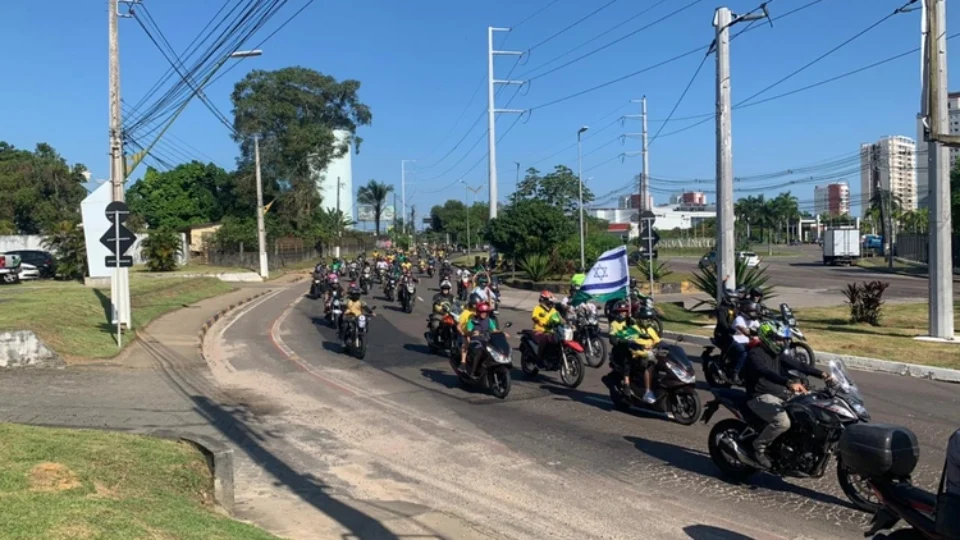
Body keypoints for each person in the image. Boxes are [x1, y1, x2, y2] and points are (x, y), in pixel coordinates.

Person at [743, 322, 831, 468]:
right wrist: (788, 383)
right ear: (767, 337)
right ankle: (758, 448)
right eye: (778, 339)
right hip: (759, 396)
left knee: (809, 409)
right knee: (783, 422)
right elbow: (766, 372)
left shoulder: (777, 354)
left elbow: (799, 365)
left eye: (782, 339)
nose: (781, 342)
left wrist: (822, 374)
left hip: (780, 393)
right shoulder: (756, 354)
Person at [608, 301, 660, 404]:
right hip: (621, 349)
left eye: (624, 311)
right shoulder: (614, 324)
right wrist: (619, 339)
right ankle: (627, 384)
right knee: (628, 360)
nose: (623, 314)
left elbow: (638, 331)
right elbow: (613, 338)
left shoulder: (631, 321)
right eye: (620, 312)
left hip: (635, 347)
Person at [461, 301, 500, 376]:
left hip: (487, 340)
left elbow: (494, 330)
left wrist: (502, 333)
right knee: (479, 351)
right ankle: (473, 372)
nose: (484, 313)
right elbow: (468, 332)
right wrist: (472, 333)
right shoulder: (472, 321)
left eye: (485, 312)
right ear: (478, 312)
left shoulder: (489, 320)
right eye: (482, 312)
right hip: (476, 341)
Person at [730, 300, 761, 384]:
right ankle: (735, 373)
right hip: (736, 340)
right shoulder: (739, 319)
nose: (754, 314)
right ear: (745, 311)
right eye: (752, 312)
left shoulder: (753, 320)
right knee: (744, 353)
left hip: (748, 341)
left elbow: (760, 328)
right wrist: (750, 335)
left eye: (755, 312)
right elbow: (743, 329)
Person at [457, 293, 481, 371]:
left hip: (479, 333)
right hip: (467, 334)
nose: (476, 306)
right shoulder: (465, 313)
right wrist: (463, 333)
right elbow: (458, 326)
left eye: (477, 304)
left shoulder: (480, 312)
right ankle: (463, 363)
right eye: (475, 304)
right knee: (466, 343)